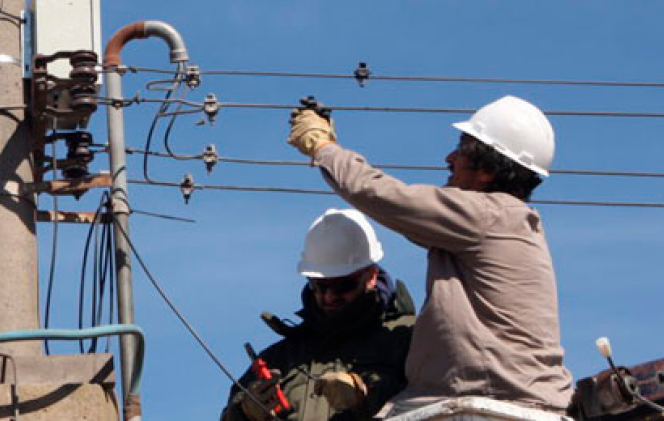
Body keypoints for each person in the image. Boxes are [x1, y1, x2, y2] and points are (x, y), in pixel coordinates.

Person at [286, 95, 574, 416]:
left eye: (462, 150)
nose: (449, 158)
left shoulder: (486, 216)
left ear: (487, 171)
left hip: (490, 405)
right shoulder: (508, 222)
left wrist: (324, 148)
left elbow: (380, 194)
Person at [220, 208, 415, 421]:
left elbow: (445, 402)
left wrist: (365, 396)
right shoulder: (281, 358)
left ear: (371, 276)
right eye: (320, 286)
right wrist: (244, 412)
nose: (330, 296)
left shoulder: (411, 338)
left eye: (343, 286)